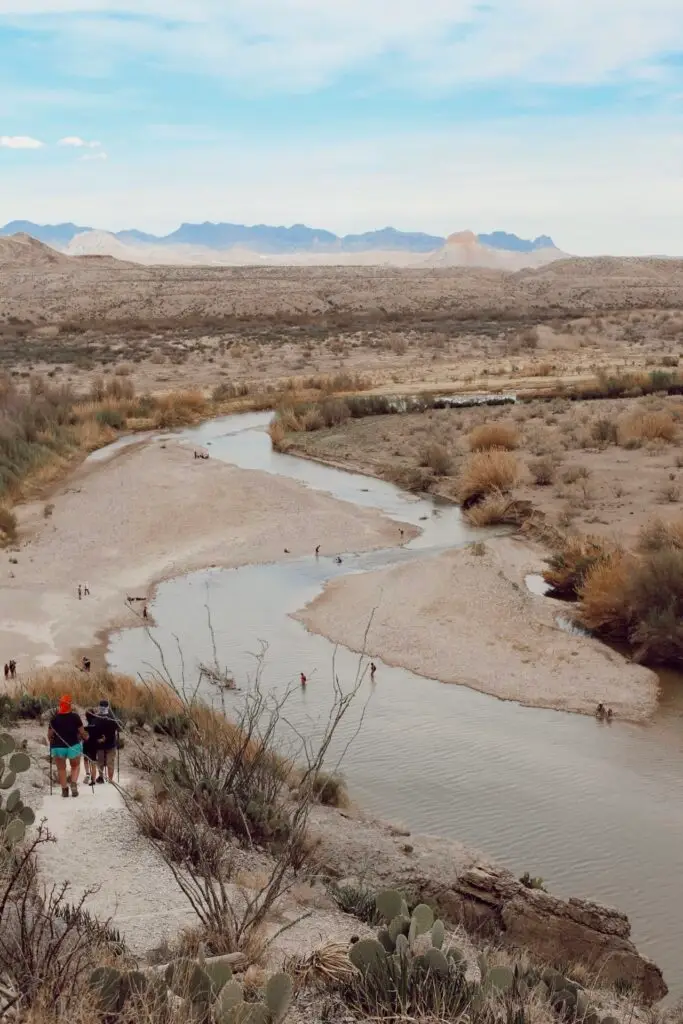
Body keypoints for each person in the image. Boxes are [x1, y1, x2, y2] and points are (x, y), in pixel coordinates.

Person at [48, 695, 87, 798]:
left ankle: (64, 790)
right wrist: (85, 737)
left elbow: (50, 735)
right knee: (75, 766)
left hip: (58, 747)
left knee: (61, 769)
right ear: (70, 704)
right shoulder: (75, 717)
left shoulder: (54, 718)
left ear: (60, 705)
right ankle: (73, 784)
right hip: (73, 745)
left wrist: (51, 741)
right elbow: (82, 732)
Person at [94, 699, 120, 783]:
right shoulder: (112, 718)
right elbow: (117, 729)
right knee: (110, 762)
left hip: (101, 743)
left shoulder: (96, 718)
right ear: (107, 707)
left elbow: (93, 730)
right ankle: (110, 780)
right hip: (110, 743)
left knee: (100, 762)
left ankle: (101, 777)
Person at [83, 708, 102, 784]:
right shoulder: (97, 722)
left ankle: (87, 773)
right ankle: (93, 780)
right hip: (94, 744)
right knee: (93, 761)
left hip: (86, 743)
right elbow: (99, 734)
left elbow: (82, 733)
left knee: (85, 759)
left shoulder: (86, 723)